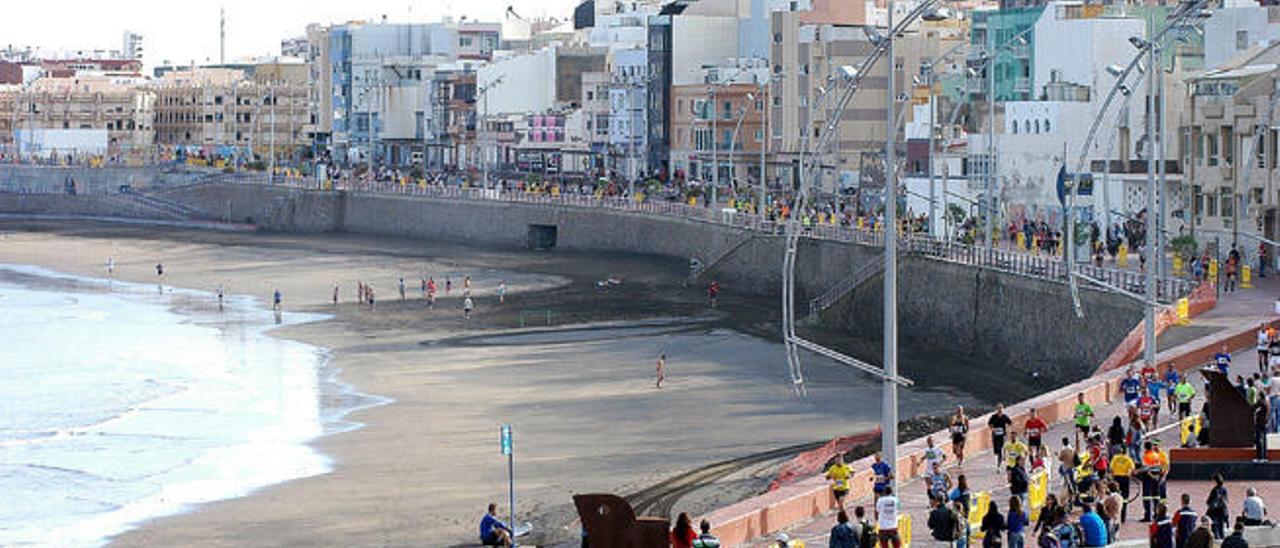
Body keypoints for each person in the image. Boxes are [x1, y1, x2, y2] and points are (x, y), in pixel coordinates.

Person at [1109, 450, 1136, 523]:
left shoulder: (1115, 458)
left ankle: (1115, 516)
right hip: (1125, 478)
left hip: (1116, 477)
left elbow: (1111, 468)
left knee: (1115, 496)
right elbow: (1132, 469)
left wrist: (1112, 477)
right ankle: (1123, 518)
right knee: (1125, 498)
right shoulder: (1128, 459)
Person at [1253, 398, 1270, 462]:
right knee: (1264, 441)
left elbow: (1253, 408)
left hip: (1260, 424)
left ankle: (1259, 457)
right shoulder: (1266, 404)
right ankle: (1264, 457)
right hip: (1264, 424)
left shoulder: (1260, 406)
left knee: (1259, 440)